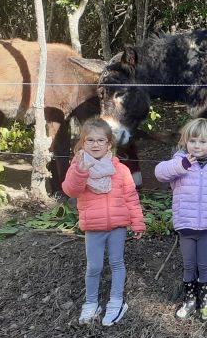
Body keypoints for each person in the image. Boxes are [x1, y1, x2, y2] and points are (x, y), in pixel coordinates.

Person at [154, 118, 207, 319]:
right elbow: (160, 173)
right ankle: (190, 300)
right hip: (186, 225)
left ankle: (206, 300)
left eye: (202, 142)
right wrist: (181, 165)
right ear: (186, 141)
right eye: (193, 141)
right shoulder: (180, 162)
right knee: (189, 264)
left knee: (205, 264)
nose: (197, 145)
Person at [62, 118, 145, 326]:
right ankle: (91, 303)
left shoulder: (121, 170)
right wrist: (80, 171)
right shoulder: (78, 167)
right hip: (93, 227)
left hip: (118, 225)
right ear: (82, 144)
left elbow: (131, 198)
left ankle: (116, 301)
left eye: (101, 140)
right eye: (90, 140)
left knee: (117, 263)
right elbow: (70, 190)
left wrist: (137, 222)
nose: (96, 144)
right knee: (94, 266)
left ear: (109, 144)